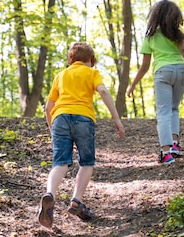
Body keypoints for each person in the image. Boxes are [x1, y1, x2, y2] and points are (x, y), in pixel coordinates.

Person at [38, 42, 125, 229]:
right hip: (84, 118)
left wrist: (51, 128)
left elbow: (48, 107)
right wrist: (116, 119)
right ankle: (76, 201)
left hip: (60, 118)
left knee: (60, 162)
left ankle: (50, 194)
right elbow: (102, 90)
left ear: (70, 59)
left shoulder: (61, 75)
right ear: (91, 60)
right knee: (86, 162)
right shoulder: (92, 73)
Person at [127, 0, 184, 165]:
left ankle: (166, 153)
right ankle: (174, 145)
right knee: (174, 109)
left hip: (163, 72)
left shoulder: (151, 36)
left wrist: (133, 84)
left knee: (163, 113)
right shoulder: (176, 34)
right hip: (181, 70)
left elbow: (145, 67)